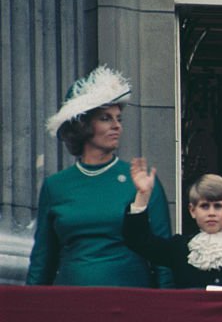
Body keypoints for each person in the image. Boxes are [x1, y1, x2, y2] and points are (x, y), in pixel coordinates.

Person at [26, 65, 173, 288]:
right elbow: (43, 259)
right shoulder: (56, 186)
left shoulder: (140, 180)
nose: (116, 126)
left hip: (131, 304)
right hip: (71, 302)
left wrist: (168, 311)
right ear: (82, 124)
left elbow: (164, 259)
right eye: (105, 118)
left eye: (119, 119)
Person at [123, 162, 222, 290]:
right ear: (192, 211)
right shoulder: (179, 248)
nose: (211, 213)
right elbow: (138, 241)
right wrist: (143, 195)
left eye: (218, 206)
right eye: (204, 206)